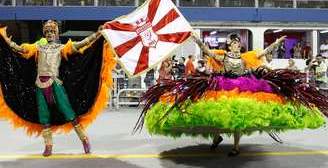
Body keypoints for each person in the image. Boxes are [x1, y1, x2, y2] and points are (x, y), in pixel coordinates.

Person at [135, 33, 328, 157]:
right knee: (219, 114)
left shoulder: (244, 59)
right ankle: (217, 137)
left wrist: (276, 43)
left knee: (238, 116)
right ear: (229, 46)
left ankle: (236, 147)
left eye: (238, 43)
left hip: (243, 86)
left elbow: (262, 54)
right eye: (235, 43)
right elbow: (208, 53)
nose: (237, 45)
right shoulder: (223, 56)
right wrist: (197, 40)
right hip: (223, 84)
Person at [0, 20, 116, 157]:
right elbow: (20, 49)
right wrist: (4, 39)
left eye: (52, 32)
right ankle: (48, 146)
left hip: (55, 84)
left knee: (69, 113)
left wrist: (97, 34)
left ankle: (84, 140)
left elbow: (81, 45)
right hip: (40, 85)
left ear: (56, 34)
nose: (49, 34)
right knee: (44, 116)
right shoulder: (38, 48)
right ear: (44, 34)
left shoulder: (61, 48)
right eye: (47, 32)